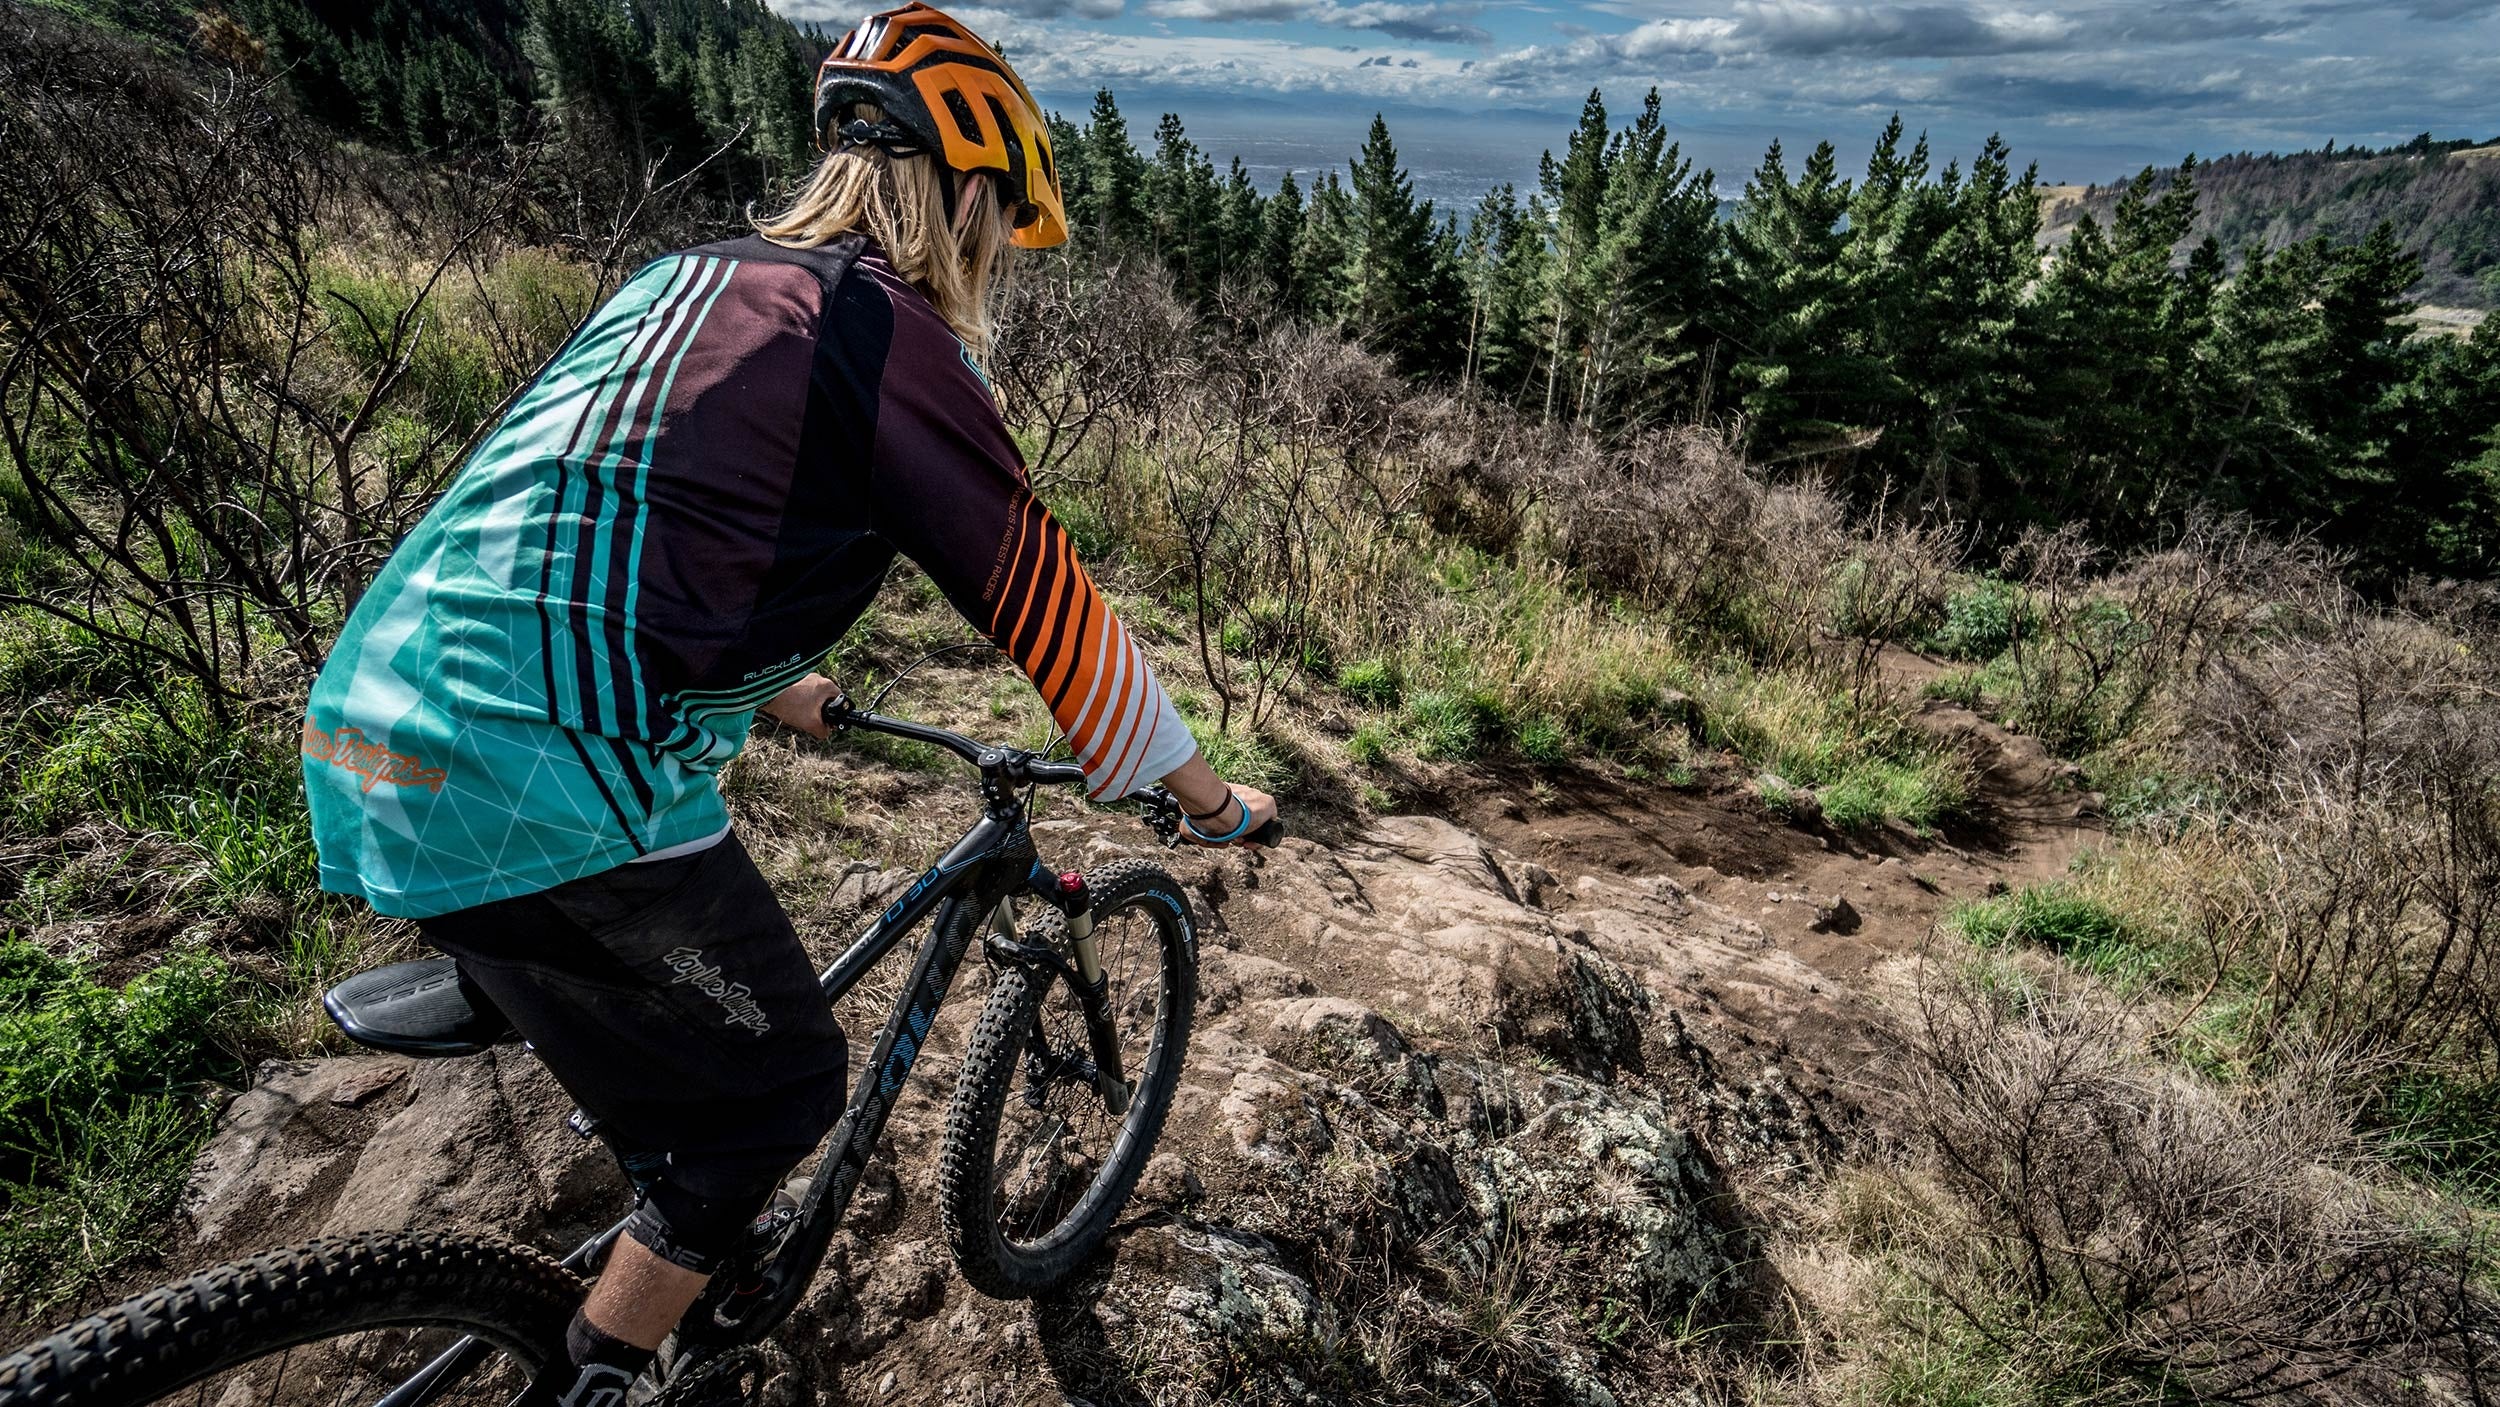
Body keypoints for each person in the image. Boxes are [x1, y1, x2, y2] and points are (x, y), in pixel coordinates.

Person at [298, 5, 1277, 1400]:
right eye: (1004, 223)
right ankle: (599, 1377)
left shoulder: (691, 276)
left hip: (373, 711)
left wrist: (775, 685)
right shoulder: (886, 335)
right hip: (533, 767)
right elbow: (1061, 621)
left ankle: (638, 1180)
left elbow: (623, 503)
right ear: (968, 196)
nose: (1001, 257)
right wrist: (1210, 800)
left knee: (676, 1022)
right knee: (775, 1095)